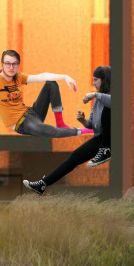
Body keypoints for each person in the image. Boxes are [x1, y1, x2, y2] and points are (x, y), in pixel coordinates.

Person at [23, 65, 112, 196]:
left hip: (115, 138)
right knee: (73, 158)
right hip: (100, 139)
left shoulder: (112, 95)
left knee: (107, 110)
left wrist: (94, 95)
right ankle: (43, 184)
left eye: (96, 80)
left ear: (104, 80)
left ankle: (106, 149)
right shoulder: (97, 101)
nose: (93, 83)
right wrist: (83, 121)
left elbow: (114, 103)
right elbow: (92, 125)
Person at [0, 49, 94, 139]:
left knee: (51, 83)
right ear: (2, 64)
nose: (11, 67)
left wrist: (65, 76)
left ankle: (60, 122)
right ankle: (87, 131)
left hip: (32, 113)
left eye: (15, 64)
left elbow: (42, 76)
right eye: (8, 63)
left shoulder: (18, 77)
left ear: (18, 65)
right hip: (22, 124)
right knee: (53, 132)